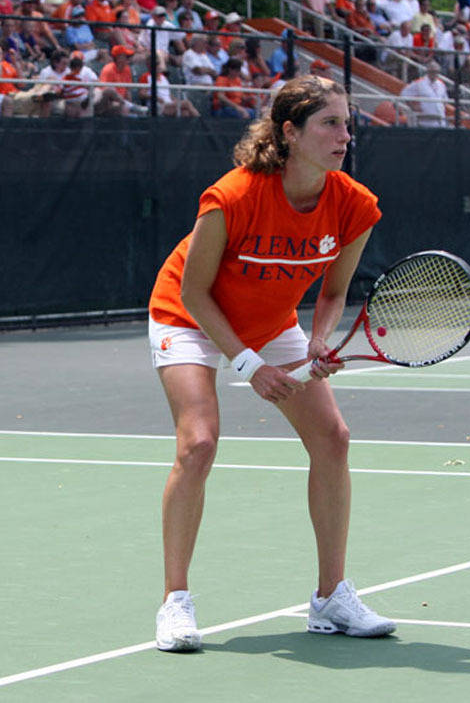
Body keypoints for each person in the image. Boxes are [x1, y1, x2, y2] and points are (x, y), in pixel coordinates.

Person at [147, 74, 396, 651]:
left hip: (273, 321)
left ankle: (331, 598)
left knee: (333, 439)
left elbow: (334, 292)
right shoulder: (232, 196)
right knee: (198, 444)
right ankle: (175, 602)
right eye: (329, 124)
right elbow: (193, 292)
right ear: (290, 132)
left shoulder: (354, 204)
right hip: (188, 318)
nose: (345, 136)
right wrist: (248, 366)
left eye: (347, 124)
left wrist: (319, 341)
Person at [401, 60, 448, 127]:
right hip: (425, 122)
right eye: (432, 71)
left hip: (440, 121)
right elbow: (404, 94)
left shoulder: (441, 84)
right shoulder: (419, 83)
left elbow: (445, 100)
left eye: (436, 72)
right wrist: (412, 106)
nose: (434, 74)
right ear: (427, 71)